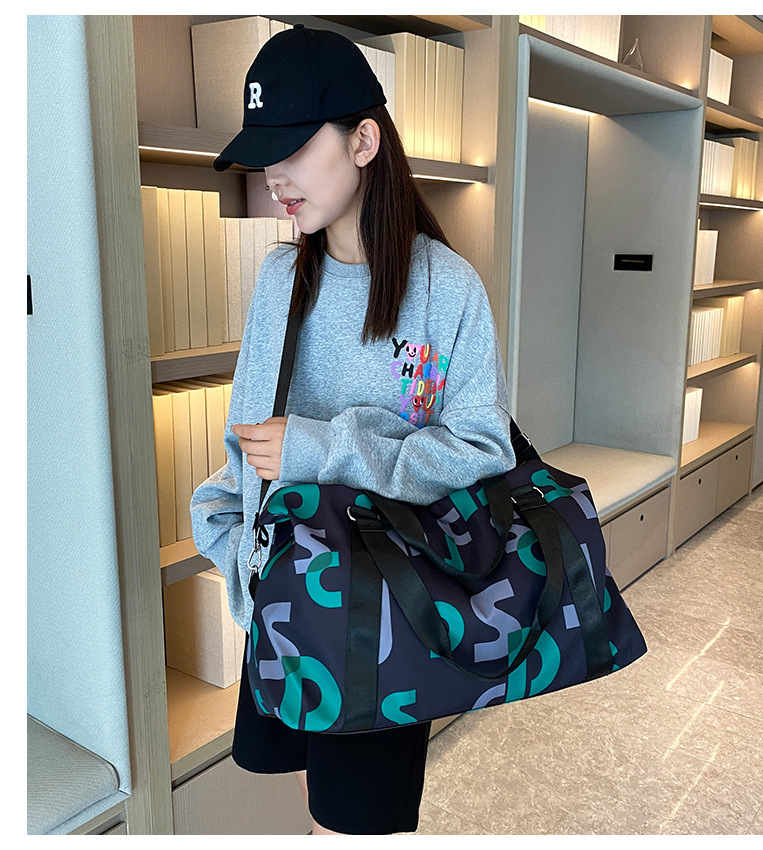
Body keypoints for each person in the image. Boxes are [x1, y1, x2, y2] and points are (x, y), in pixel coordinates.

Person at [190, 24, 516, 836]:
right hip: (287, 605)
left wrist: (326, 447)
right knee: (315, 805)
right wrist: (232, 542)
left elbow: (483, 447)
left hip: (389, 619)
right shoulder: (279, 279)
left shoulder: (445, 287)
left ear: (364, 141)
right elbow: (246, 443)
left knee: (355, 824)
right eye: (264, 156)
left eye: (294, 149)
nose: (274, 177)